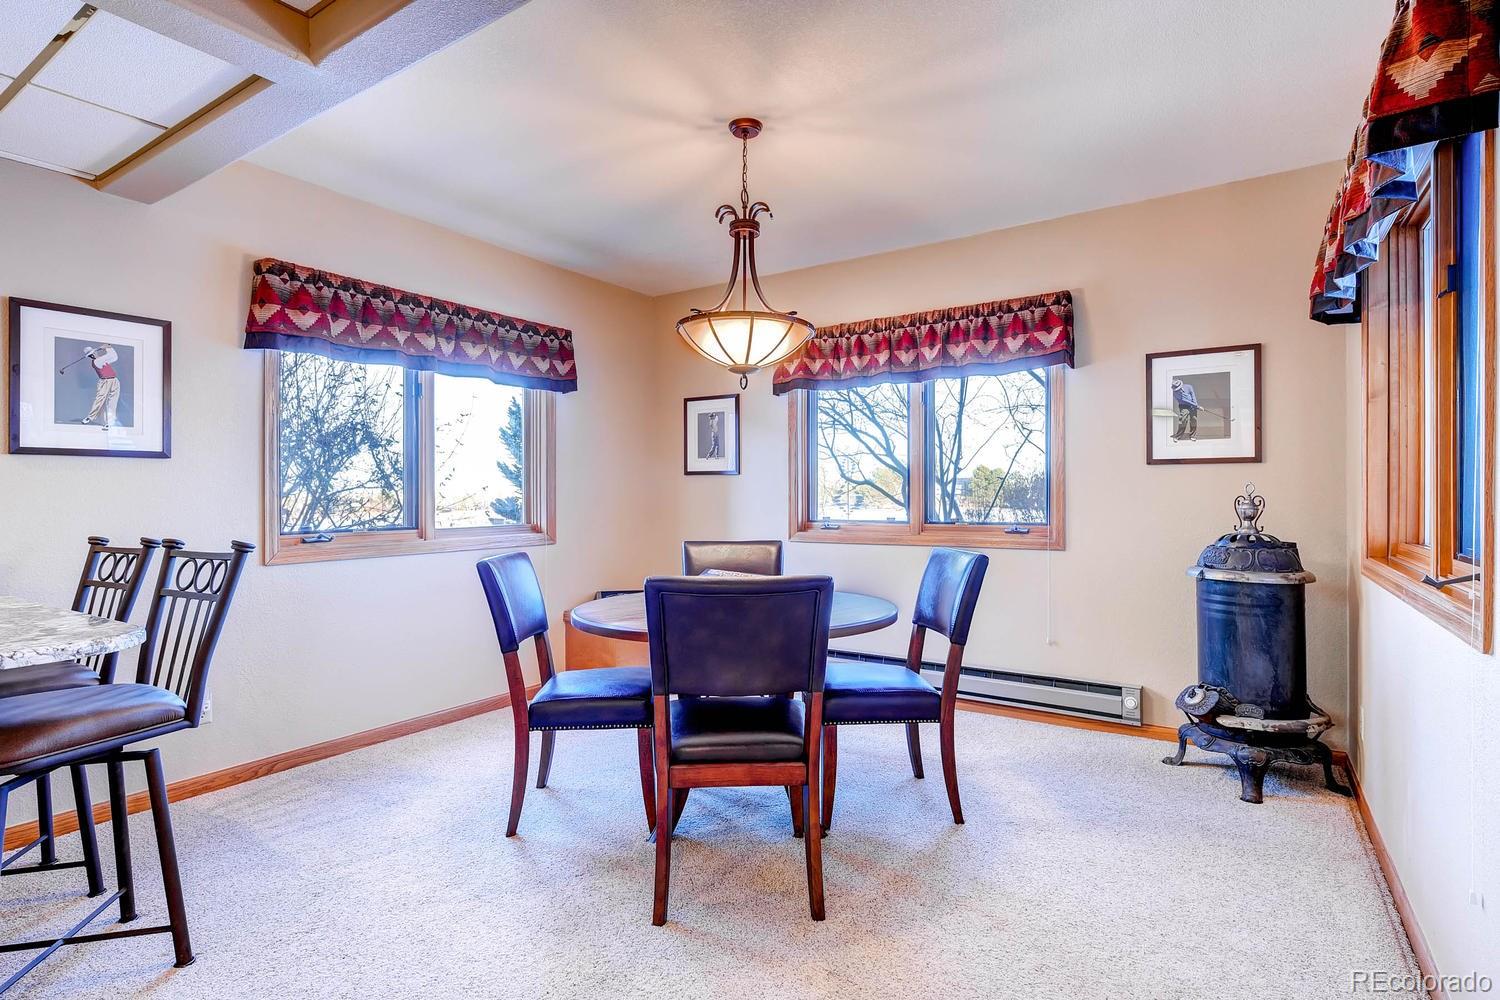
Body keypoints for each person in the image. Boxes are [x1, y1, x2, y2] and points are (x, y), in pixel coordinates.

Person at [81, 344, 120, 428]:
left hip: (114, 381)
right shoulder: (97, 361)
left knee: (112, 402)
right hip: (105, 382)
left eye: (95, 352)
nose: (96, 353)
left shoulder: (101, 360)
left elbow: (115, 357)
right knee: (99, 400)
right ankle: (90, 417)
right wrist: (107, 348)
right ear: (91, 355)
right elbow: (111, 355)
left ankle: (110, 422)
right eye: (94, 353)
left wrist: (108, 347)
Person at [1171, 377, 1199, 441]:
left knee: (1194, 420)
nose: (1178, 390)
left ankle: (1192, 435)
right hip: (1184, 406)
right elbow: (1185, 401)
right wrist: (1196, 406)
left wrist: (1196, 405)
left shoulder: (1189, 387)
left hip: (1193, 405)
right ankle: (1178, 436)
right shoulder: (1175, 393)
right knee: (1183, 420)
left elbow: (1193, 395)